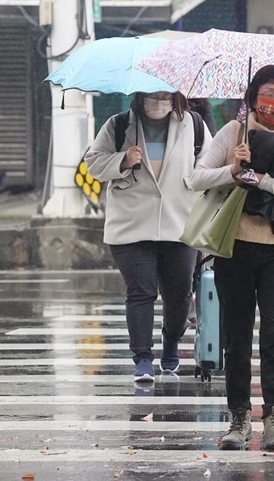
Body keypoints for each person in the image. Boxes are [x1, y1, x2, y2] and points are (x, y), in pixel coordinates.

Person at [190, 65, 274, 451]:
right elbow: (197, 178)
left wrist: (257, 179)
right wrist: (233, 168)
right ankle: (239, 418)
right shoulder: (231, 134)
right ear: (254, 97)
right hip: (235, 247)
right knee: (236, 337)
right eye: (270, 93)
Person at [84, 91, 213, 382]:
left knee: (179, 294)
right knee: (140, 292)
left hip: (180, 224)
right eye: (152, 96)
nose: (158, 101)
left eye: (164, 95)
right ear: (139, 96)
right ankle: (142, 358)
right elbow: (93, 163)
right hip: (131, 225)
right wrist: (122, 159)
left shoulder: (194, 125)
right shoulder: (118, 125)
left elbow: (210, 164)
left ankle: (171, 344)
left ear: (176, 96)